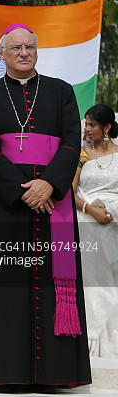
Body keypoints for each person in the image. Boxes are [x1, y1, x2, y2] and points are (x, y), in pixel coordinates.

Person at [0, 23, 91, 390]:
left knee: (50, 285)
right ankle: (0, 371)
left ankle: (56, 374)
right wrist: (24, 190)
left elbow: (70, 143)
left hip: (54, 201)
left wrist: (49, 184)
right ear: (2, 53)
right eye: (15, 48)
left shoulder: (61, 92)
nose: (24, 52)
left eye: (30, 46)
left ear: (37, 51)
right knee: (3, 289)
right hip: (5, 205)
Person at [73, 104, 118, 358]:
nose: (87, 129)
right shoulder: (81, 155)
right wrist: (92, 209)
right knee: (93, 286)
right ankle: (91, 347)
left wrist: (111, 209)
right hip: (87, 225)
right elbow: (69, 191)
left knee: (114, 285)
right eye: (86, 124)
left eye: (92, 125)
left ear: (107, 128)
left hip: (115, 226)